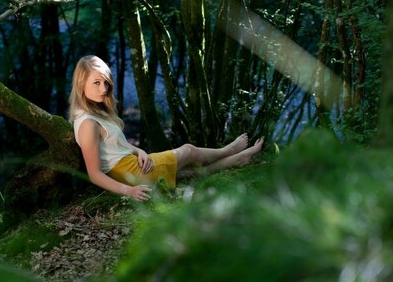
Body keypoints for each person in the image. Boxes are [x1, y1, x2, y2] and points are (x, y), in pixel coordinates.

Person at [68, 55, 264, 201]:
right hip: (130, 173)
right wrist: (129, 190)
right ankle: (228, 150)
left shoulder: (94, 113)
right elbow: (95, 174)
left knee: (187, 172)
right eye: (96, 83)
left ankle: (238, 159)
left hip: (131, 166)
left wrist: (139, 150)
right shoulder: (87, 124)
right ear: (81, 84)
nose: (103, 89)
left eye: (105, 83)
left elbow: (113, 147)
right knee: (189, 150)